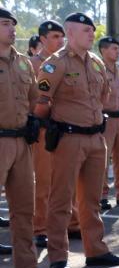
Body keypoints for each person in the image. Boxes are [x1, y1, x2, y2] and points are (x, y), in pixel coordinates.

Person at [33, 13, 119, 268]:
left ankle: (96, 251)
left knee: (92, 200)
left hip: (96, 138)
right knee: (61, 199)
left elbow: (103, 97)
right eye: (86, 30)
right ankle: (58, 257)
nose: (91, 34)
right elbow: (41, 103)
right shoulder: (55, 64)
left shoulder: (96, 63)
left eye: (92, 30)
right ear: (70, 33)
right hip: (68, 138)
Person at [0, 7, 55, 268]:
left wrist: (36, 117)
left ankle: (26, 267)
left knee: (23, 208)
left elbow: (36, 98)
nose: (12, 29)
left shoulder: (23, 63)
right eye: (6, 24)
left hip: (21, 141)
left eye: (13, 24)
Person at [30, 19, 66, 250]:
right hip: (43, 129)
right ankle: (40, 229)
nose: (60, 40)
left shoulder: (66, 62)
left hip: (64, 129)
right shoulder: (32, 64)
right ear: (42, 39)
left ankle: (66, 226)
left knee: (63, 182)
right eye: (54, 36)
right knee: (43, 181)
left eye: (62, 36)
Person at [97, 36, 119, 210]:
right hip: (106, 118)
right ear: (103, 51)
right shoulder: (98, 69)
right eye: (113, 48)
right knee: (103, 159)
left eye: (118, 48)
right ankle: (101, 196)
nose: (117, 51)